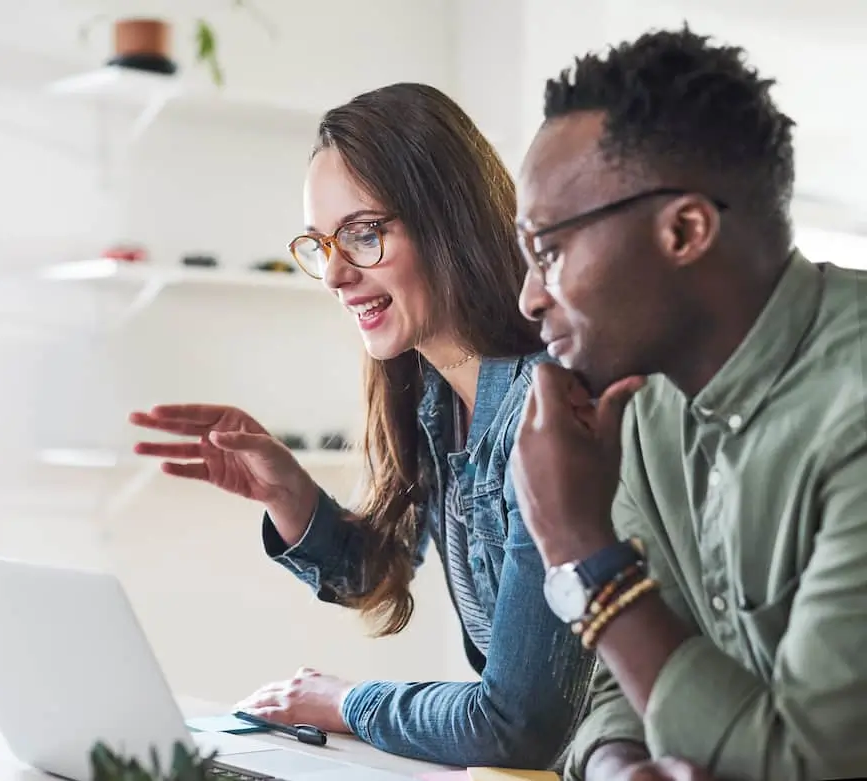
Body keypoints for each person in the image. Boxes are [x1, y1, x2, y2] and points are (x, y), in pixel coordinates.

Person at [128, 83, 595, 769]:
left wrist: (346, 702)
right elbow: (377, 573)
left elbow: (515, 723)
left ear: (450, 220)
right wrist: (290, 494)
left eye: (364, 233)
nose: (335, 274)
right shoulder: (434, 391)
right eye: (321, 243)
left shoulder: (549, 410)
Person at [508, 25, 867, 781]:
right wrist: (614, 764)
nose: (529, 297)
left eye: (549, 251)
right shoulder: (642, 407)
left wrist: (579, 547)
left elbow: (810, 763)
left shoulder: (854, 411)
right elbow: (626, 671)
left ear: (685, 229)